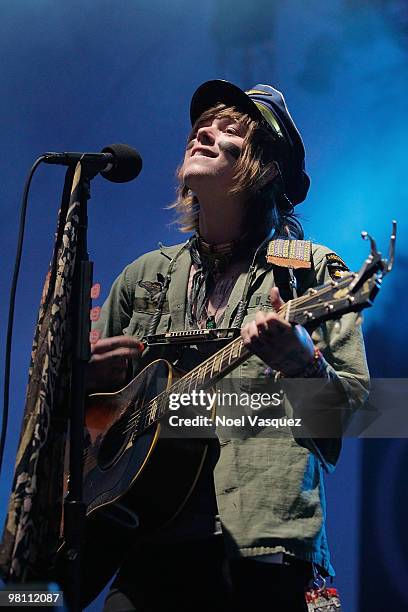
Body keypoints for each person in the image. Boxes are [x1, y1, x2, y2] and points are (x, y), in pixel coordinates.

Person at [87, 80, 369, 612]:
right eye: (201, 125)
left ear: (265, 165)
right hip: (145, 544)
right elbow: (93, 427)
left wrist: (303, 367)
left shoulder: (311, 273)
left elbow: (353, 417)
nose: (203, 131)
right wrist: (86, 393)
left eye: (230, 127)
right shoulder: (141, 277)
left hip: (262, 552)